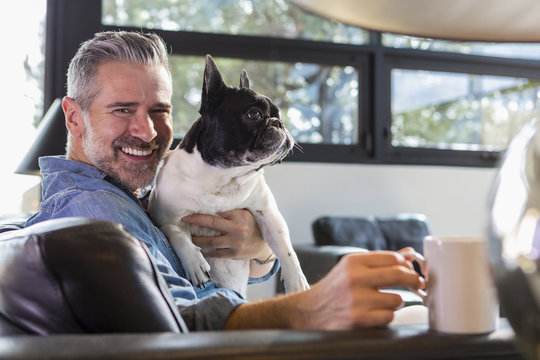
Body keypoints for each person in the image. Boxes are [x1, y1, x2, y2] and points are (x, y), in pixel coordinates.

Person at [26, 31, 425, 331]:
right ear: (74, 118)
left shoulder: (133, 195)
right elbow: (184, 320)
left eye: (159, 110)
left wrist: (259, 250)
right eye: (123, 109)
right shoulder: (93, 212)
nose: (147, 132)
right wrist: (314, 304)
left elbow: (215, 275)